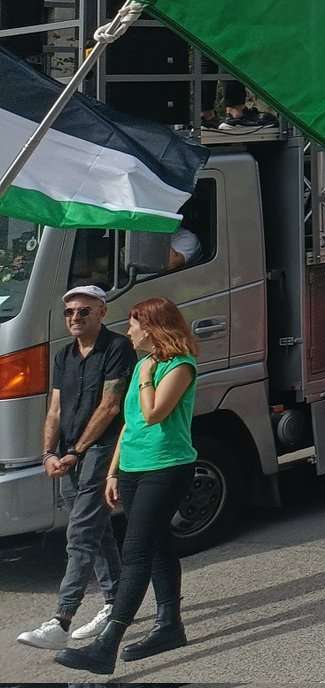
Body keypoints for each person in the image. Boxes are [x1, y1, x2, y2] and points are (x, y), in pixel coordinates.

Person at [51, 298, 200, 674]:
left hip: (167, 467)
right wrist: (114, 472)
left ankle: (106, 646)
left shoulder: (179, 366)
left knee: (135, 552)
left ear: (151, 328)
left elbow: (153, 413)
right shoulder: (143, 365)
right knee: (158, 544)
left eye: (134, 325)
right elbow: (129, 423)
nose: (129, 331)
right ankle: (169, 627)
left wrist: (147, 373)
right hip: (133, 467)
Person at [18, 286, 135, 653]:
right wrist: (48, 453)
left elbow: (111, 405)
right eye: (69, 312)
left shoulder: (117, 348)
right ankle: (116, 602)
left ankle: (61, 620)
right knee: (96, 531)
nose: (75, 318)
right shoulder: (63, 355)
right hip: (68, 453)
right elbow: (55, 408)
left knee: (81, 534)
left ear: (102, 312)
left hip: (100, 450)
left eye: (84, 311)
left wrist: (76, 450)